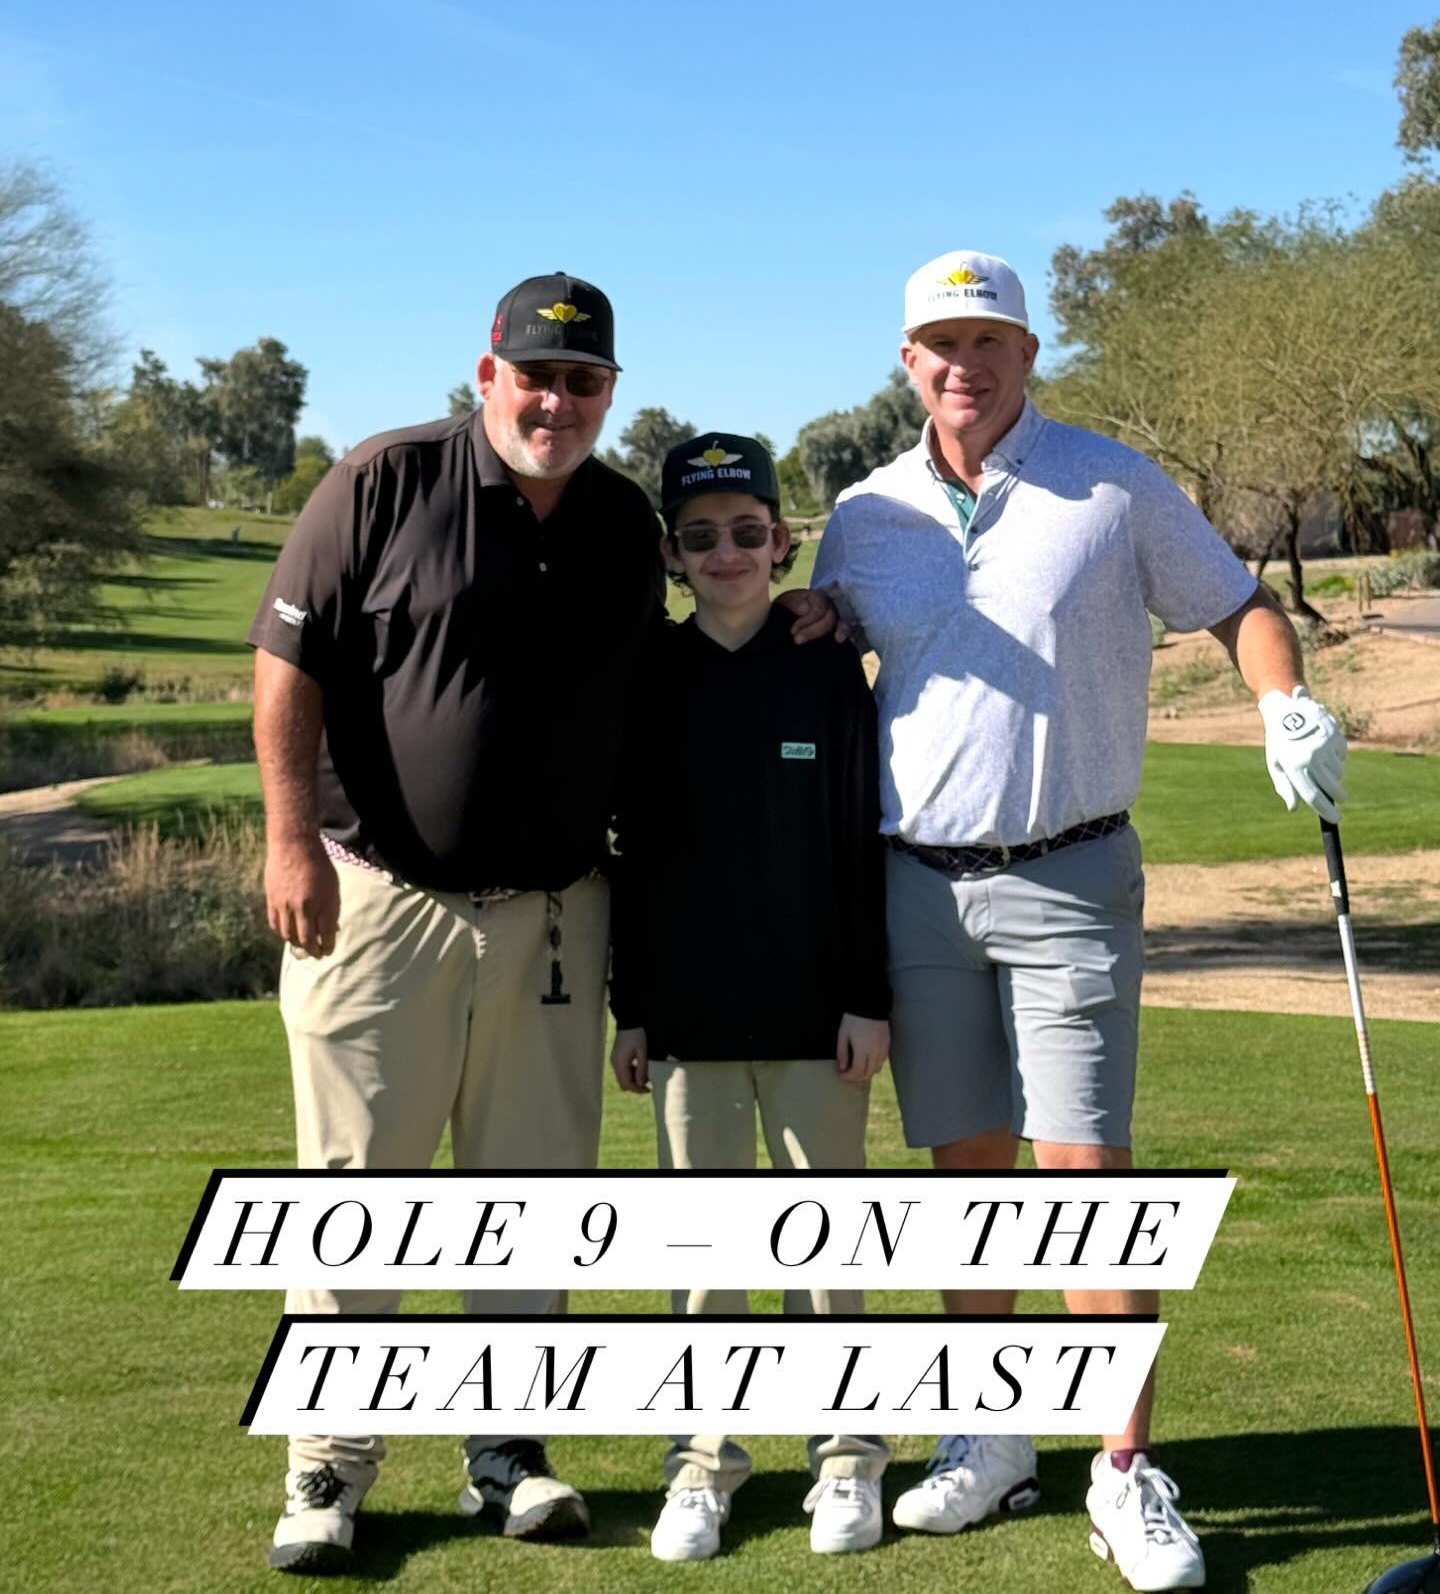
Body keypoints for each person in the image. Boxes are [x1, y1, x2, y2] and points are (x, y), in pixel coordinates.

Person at [247, 273, 835, 1575]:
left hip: (562, 915)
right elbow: (286, 663)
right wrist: (289, 839)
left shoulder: (629, 520)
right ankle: (328, 1469)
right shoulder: (383, 482)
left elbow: (698, 641)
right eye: (536, 374)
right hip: (383, 901)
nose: (556, 399)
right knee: (360, 1195)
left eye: (582, 380)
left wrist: (811, 611)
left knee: (528, 1199)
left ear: (608, 391)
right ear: (487, 371)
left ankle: (506, 1454)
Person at [812, 249, 1347, 1593]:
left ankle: (1122, 1471)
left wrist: (1287, 700)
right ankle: (989, 1431)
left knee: (1084, 1185)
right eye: (940, 341)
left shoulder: (1113, 482)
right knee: (967, 1176)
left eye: (988, 339)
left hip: (1072, 876)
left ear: (1028, 352)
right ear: (908, 360)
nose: (964, 362)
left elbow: (1240, 604)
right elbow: (827, 664)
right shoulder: (865, 514)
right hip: (915, 884)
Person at [609, 434, 892, 1562]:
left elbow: (863, 841)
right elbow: (630, 854)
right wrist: (632, 1007)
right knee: (707, 1249)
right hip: (688, 1018)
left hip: (819, 1014)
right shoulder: (653, 673)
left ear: (781, 541)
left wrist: (867, 996)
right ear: (675, 557)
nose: (726, 552)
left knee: (825, 1249)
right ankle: (702, 1465)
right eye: (700, 537)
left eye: (746, 531)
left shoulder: (826, 668)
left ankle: (848, 1462)